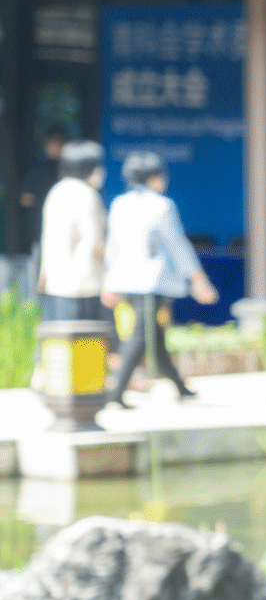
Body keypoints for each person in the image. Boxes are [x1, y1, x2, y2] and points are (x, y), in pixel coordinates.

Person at [101, 151, 216, 405]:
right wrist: (198, 280)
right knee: (141, 336)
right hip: (151, 282)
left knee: (153, 336)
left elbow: (112, 246)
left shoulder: (119, 204)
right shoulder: (161, 205)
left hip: (126, 281)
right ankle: (115, 393)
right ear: (154, 178)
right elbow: (178, 246)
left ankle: (180, 388)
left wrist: (108, 281)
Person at [37, 140, 107, 322]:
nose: (100, 171)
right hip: (84, 287)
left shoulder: (56, 192)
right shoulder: (87, 194)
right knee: (88, 338)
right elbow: (96, 243)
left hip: (56, 284)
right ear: (86, 167)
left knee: (59, 337)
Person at [17, 126, 65, 251]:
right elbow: (25, 199)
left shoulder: (66, 168)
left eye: (60, 143)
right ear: (45, 142)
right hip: (40, 228)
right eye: (54, 142)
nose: (57, 147)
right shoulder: (37, 167)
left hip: (62, 227)